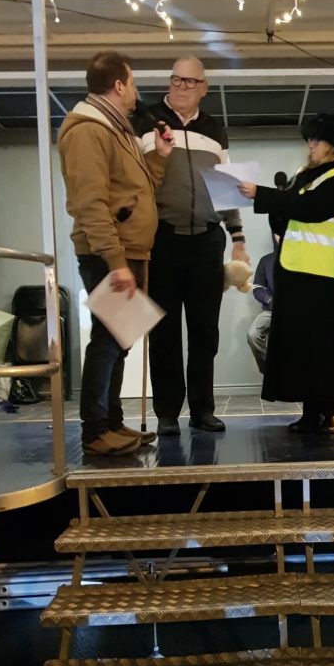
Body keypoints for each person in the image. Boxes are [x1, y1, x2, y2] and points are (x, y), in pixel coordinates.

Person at [57, 50, 174, 456]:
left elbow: (134, 189)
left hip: (129, 250)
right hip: (109, 252)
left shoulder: (114, 128)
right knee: (107, 340)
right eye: (134, 82)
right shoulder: (87, 130)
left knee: (119, 339)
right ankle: (95, 430)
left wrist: (158, 158)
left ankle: (112, 423)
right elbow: (89, 204)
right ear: (119, 84)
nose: (137, 92)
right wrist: (116, 262)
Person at [135, 56, 249, 437]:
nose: (181, 87)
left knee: (205, 332)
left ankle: (203, 410)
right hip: (162, 239)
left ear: (204, 87)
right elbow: (135, 178)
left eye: (190, 82)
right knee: (164, 332)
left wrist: (238, 240)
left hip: (206, 241)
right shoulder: (147, 120)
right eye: (175, 80)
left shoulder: (215, 129)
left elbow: (227, 186)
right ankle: (167, 412)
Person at [237, 112, 334, 434]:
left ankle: (332, 410)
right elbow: (288, 214)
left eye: (316, 139)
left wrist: (262, 194)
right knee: (302, 345)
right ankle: (309, 411)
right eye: (309, 139)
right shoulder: (302, 176)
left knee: (326, 345)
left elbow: (311, 209)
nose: (310, 145)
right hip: (294, 272)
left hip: (327, 275)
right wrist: (276, 207)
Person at [246, 232, 278, 373]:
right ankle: (269, 372)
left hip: (295, 311)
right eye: (278, 232)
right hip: (271, 311)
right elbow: (258, 288)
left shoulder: (300, 261)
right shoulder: (266, 261)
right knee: (253, 334)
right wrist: (269, 300)